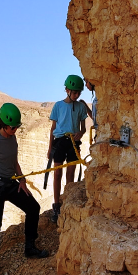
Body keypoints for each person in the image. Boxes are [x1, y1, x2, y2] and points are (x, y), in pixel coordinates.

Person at [0, 103, 49, 275]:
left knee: (33, 208)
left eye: (17, 127)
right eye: (13, 127)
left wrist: (22, 180)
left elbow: (14, 162)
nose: (15, 130)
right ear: (4, 124)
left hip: (11, 184)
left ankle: (30, 247)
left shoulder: (12, 138)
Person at [47, 75, 88, 224]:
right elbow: (53, 128)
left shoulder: (80, 107)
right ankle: (56, 205)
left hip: (73, 142)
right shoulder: (58, 106)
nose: (77, 95)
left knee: (70, 174)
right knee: (57, 173)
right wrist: (50, 148)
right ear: (67, 90)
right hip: (59, 142)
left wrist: (81, 133)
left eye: (79, 93)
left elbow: (83, 128)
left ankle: (67, 203)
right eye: (74, 92)